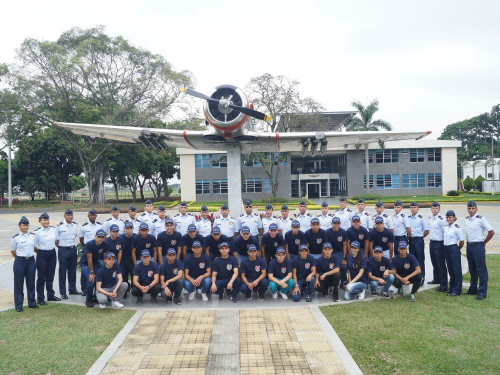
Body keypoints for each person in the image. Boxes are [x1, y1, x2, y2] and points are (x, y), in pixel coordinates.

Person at [464, 200, 495, 300]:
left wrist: (484, 243)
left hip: (478, 246)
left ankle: (482, 292)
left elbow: (491, 232)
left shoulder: (481, 219)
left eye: (473, 208)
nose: (471, 210)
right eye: (469, 208)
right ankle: (472, 289)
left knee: (481, 270)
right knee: (472, 269)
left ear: (476, 209)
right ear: (467, 209)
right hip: (469, 246)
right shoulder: (467, 219)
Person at [11, 216, 37, 312]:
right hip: (20, 262)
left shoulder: (33, 236)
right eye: (23, 225)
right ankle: (18, 305)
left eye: (27, 225)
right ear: (19, 226)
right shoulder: (15, 238)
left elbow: (34, 248)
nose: (25, 227)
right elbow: (13, 251)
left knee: (31, 283)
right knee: (19, 284)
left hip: (31, 261)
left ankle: (32, 303)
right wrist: (20, 258)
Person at [33, 212, 60, 305]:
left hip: (52, 253)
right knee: (41, 277)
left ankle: (50, 295)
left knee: (50, 276)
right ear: (40, 221)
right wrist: (41, 252)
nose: (46, 222)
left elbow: (56, 241)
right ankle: (40, 298)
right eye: (44, 220)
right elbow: (34, 246)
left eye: (47, 220)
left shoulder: (53, 229)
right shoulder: (37, 232)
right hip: (42, 254)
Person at [80, 229, 109, 308]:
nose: (100, 239)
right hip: (85, 263)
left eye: (102, 237)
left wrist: (104, 269)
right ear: (95, 236)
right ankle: (88, 299)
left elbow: (105, 258)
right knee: (91, 280)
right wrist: (92, 273)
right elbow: (89, 260)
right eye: (99, 237)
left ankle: (96, 297)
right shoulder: (90, 244)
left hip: (96, 263)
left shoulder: (105, 244)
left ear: (104, 237)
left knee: (100, 278)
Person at [78, 208, 103, 296]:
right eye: (90, 215)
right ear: (88, 216)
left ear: (96, 216)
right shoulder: (84, 226)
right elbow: (81, 239)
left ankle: (96, 289)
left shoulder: (100, 226)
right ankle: (84, 289)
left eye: (94, 215)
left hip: (97, 249)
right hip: (87, 248)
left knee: (96, 267)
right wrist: (85, 246)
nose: (92, 216)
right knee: (85, 271)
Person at [56, 209, 80, 299]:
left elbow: (75, 237)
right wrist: (62, 248)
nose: (70, 217)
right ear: (64, 216)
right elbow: (56, 241)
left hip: (73, 249)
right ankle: (63, 292)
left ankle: (72, 289)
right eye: (68, 215)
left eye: (71, 215)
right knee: (62, 271)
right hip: (63, 250)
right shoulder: (59, 226)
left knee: (72, 270)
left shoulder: (75, 225)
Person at [443, 210, 464, 297]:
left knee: (456, 270)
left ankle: (457, 290)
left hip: (453, 248)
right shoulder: (446, 227)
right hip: (446, 248)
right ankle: (452, 287)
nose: (448, 219)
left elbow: (462, 241)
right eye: (447, 217)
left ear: (454, 218)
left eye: (450, 217)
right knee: (450, 269)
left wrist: (457, 249)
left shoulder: (457, 228)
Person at [407, 202, 429, 285]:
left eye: (415, 207)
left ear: (418, 208)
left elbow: (426, 231)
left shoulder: (421, 218)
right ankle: (414, 278)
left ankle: (421, 278)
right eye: (411, 207)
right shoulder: (408, 218)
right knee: (412, 259)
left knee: (420, 260)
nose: (413, 209)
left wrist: (420, 237)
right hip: (411, 240)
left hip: (419, 240)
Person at [428, 201, 448, 290]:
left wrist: (444, 244)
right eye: (433, 208)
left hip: (439, 243)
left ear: (439, 209)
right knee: (434, 263)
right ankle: (436, 279)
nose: (435, 210)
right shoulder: (430, 218)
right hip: (431, 243)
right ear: (431, 209)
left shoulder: (441, 220)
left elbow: (445, 232)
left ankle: (443, 285)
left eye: (436, 208)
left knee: (441, 264)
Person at [325, 217, 348, 284]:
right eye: (335, 223)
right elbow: (326, 245)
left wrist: (344, 258)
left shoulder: (343, 232)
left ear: (340, 224)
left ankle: (343, 282)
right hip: (330, 251)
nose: (336, 225)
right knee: (330, 266)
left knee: (342, 267)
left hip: (339, 251)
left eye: (338, 223)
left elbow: (344, 245)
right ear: (332, 224)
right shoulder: (327, 232)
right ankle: (330, 282)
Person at [120, 221, 136, 298]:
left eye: (130, 228)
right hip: (123, 259)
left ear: (133, 228)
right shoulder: (121, 238)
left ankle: (133, 289)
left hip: (132, 259)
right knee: (123, 275)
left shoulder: (136, 237)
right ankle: (124, 292)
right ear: (124, 229)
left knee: (133, 275)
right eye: (127, 228)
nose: (129, 230)